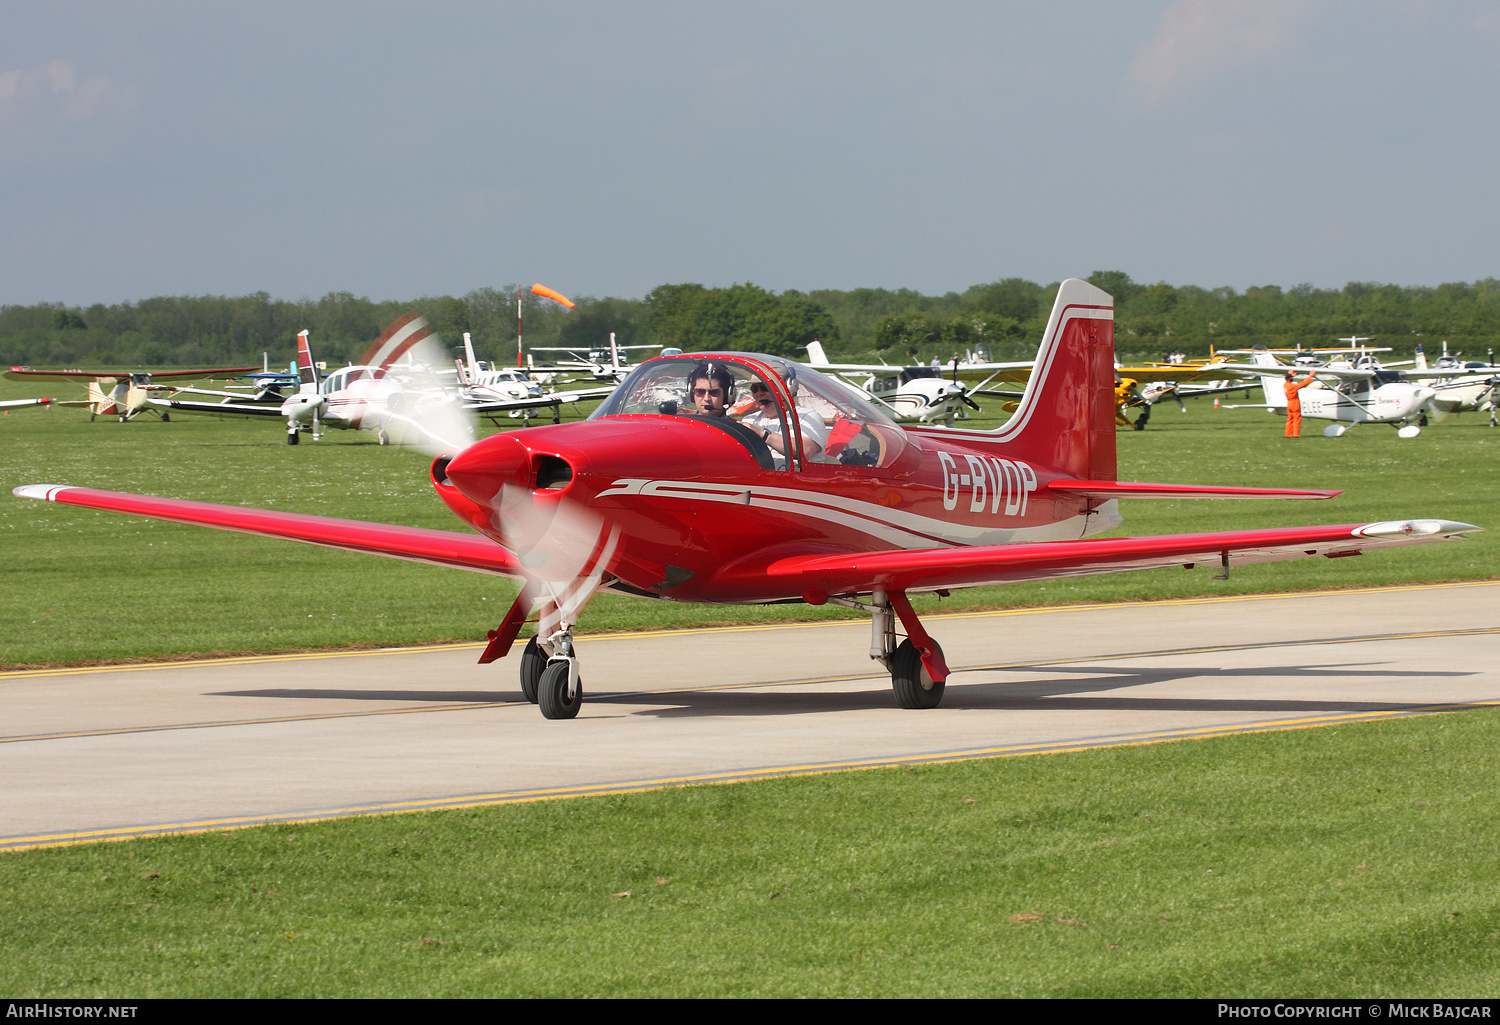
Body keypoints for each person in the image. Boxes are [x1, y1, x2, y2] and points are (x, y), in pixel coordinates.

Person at [739, 365, 827, 467]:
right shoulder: (750, 419)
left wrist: (763, 435)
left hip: (797, 481)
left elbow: (804, 451)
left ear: (788, 389)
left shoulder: (808, 417)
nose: (759, 394)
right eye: (755, 389)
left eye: (765, 387)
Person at [1284, 369, 1316, 437]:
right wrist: (1310, 377)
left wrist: (1290, 373)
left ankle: (1288, 434)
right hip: (1294, 402)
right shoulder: (1292, 386)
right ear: (1290, 379)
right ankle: (1296, 434)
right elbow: (1302, 384)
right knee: (1296, 419)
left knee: (1290, 419)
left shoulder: (1285, 385)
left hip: (1289, 403)